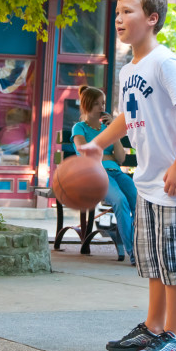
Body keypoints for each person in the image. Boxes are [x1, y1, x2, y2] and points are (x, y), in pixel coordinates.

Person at [79, 0, 176, 351]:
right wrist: (98, 143)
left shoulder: (166, 62)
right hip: (150, 181)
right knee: (154, 260)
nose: (119, 18)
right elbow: (126, 117)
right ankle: (153, 328)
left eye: (128, 12)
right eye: (117, 12)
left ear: (152, 19)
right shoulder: (128, 68)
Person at [71, 85, 137, 265]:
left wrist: (113, 132)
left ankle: (139, 247)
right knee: (120, 201)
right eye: (97, 104)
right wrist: (106, 153)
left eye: (103, 104)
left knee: (139, 203)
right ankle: (133, 254)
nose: (102, 108)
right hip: (96, 174)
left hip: (116, 172)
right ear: (86, 106)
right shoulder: (79, 128)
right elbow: (85, 152)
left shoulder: (106, 129)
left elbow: (121, 158)